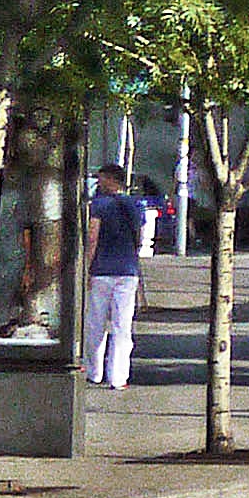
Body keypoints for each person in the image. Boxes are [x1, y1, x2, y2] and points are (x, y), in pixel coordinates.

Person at [81, 165, 149, 390]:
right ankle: (118, 377)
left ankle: (94, 372)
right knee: (122, 325)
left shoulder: (99, 205)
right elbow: (139, 238)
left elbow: (93, 238)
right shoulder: (135, 205)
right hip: (127, 271)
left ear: (111, 180)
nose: (98, 183)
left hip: (101, 270)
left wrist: (87, 268)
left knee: (96, 324)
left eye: (101, 179)